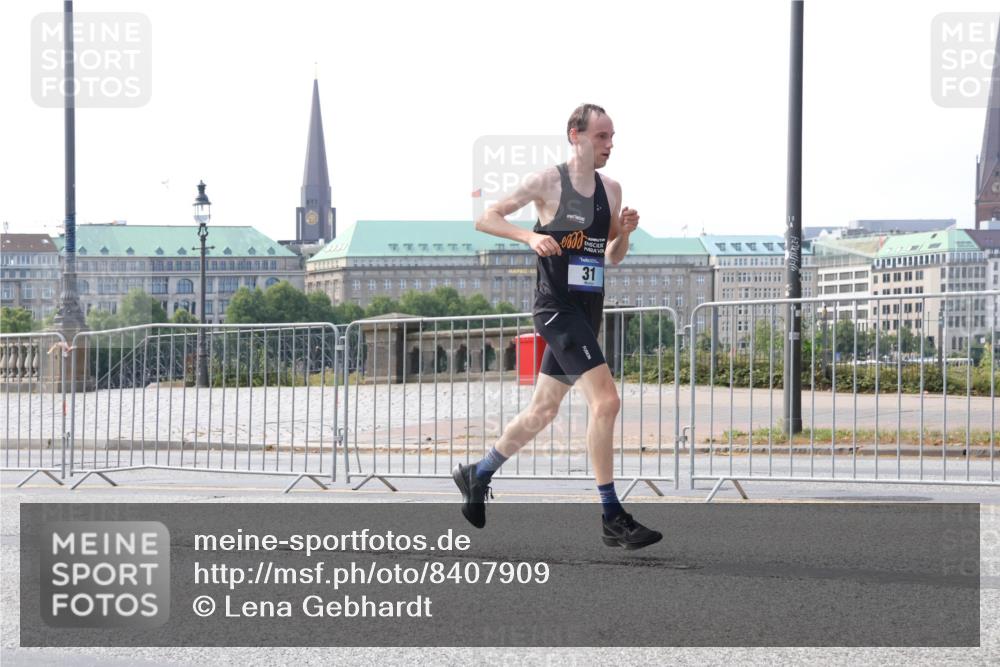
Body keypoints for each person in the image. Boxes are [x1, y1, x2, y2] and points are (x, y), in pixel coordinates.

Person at [454, 103, 662, 549]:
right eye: (601, 136)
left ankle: (479, 472)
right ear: (575, 135)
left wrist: (624, 232)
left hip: (588, 311)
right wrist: (530, 236)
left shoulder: (611, 189)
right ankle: (612, 515)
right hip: (556, 309)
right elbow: (486, 217)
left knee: (543, 410)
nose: (610, 145)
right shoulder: (547, 182)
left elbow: (610, 256)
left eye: (612, 137)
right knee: (606, 402)